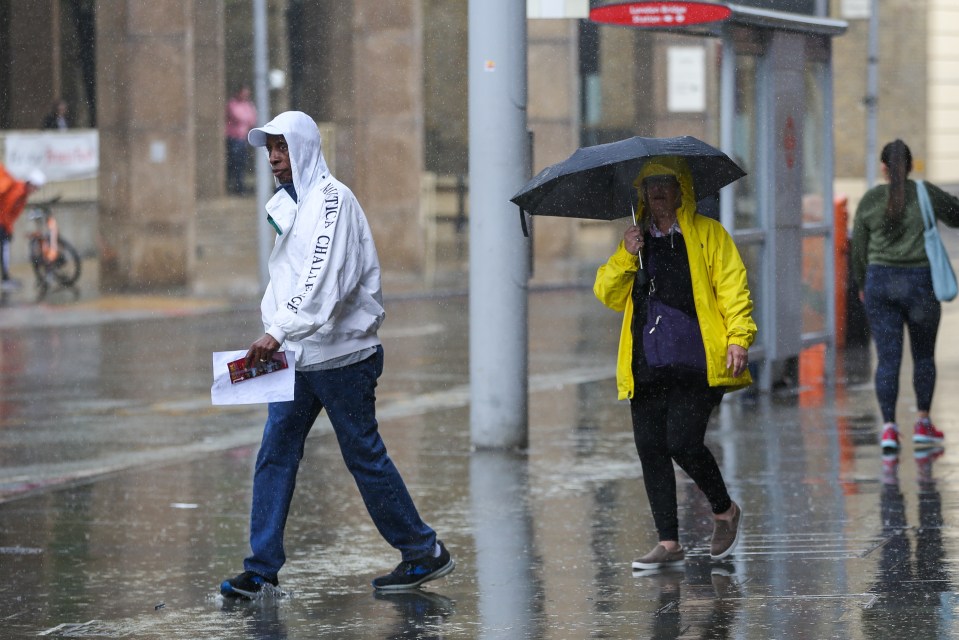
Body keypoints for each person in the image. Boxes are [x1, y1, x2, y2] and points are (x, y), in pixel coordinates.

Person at [220, 111, 454, 599]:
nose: (275, 158)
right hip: (299, 357)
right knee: (275, 455)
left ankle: (422, 551)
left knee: (364, 457)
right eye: (270, 150)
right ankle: (261, 569)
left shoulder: (333, 202)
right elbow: (283, 280)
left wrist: (278, 332)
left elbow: (324, 281)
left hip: (344, 357)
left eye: (282, 147)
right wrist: (274, 330)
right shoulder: (286, 205)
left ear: (304, 146)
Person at [593, 156, 756, 571]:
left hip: (696, 361)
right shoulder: (636, 240)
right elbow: (607, 295)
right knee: (650, 446)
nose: (657, 192)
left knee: (682, 441)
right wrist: (626, 256)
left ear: (682, 189)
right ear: (642, 195)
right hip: (646, 359)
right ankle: (668, 542)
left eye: (665, 183)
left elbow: (733, 289)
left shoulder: (708, 235)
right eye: (650, 186)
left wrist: (739, 338)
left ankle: (724, 510)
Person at [851, 139, 959, 454]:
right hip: (921, 285)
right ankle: (923, 424)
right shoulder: (925, 193)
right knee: (923, 356)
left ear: (883, 168)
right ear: (910, 167)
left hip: (880, 285)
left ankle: (889, 429)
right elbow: (956, 216)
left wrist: (862, 282)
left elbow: (858, 248)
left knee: (888, 359)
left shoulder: (871, 200)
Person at [0, 165, 46, 289]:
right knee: (4, 249)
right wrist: (6, 228)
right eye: (35, 187)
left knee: (4, 248)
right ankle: (5, 279)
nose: (35, 191)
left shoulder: (22, 196)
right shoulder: (16, 190)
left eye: (37, 189)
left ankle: (5, 278)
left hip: (3, 224)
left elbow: (11, 215)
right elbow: (5, 210)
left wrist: (8, 228)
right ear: (30, 183)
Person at [224, 85, 257, 194]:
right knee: (234, 163)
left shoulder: (247, 105)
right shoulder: (232, 104)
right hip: (234, 138)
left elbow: (252, 119)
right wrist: (246, 118)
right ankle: (234, 186)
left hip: (243, 139)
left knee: (242, 163)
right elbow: (238, 116)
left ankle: (240, 186)